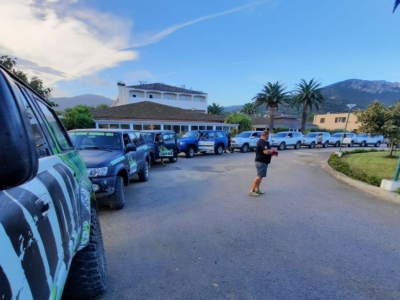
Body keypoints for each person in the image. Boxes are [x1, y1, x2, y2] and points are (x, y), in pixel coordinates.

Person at [249, 130, 276, 197]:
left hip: (263, 161)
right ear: (266, 135)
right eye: (268, 135)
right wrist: (272, 151)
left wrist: (271, 153)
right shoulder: (262, 142)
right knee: (259, 177)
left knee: (261, 177)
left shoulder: (262, 142)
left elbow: (265, 152)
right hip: (261, 162)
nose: (268, 137)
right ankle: (252, 190)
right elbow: (266, 152)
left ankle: (257, 189)